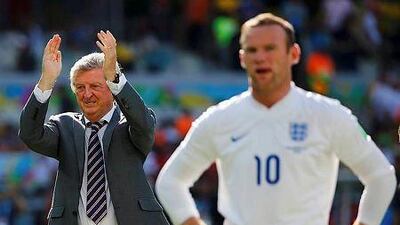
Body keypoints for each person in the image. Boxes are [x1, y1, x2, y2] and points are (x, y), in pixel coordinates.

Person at [155, 13, 397, 225]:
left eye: (270, 48)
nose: (260, 57)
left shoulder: (328, 115)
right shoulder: (220, 119)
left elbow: (381, 176)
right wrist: (190, 221)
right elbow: (170, 182)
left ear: (293, 54)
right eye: (252, 50)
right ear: (242, 58)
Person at [19, 30, 169, 225]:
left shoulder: (129, 127)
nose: (87, 94)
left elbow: (144, 124)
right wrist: (46, 81)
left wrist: (115, 77)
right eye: (80, 87)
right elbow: (30, 134)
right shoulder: (64, 126)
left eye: (95, 86)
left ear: (110, 88)